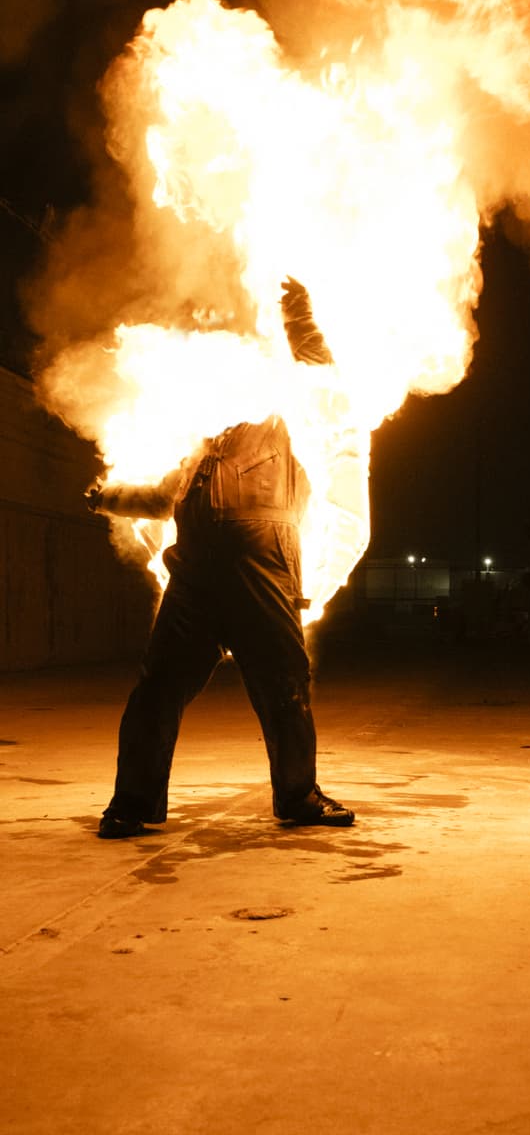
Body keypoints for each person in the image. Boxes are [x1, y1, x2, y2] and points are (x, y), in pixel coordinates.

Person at [88, 279, 355, 836]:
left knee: (283, 683)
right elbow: (165, 498)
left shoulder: (280, 425)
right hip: (196, 575)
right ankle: (131, 803)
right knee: (157, 686)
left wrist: (299, 313)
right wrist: (108, 498)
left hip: (262, 565)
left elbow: (318, 372)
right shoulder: (199, 443)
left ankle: (299, 795)